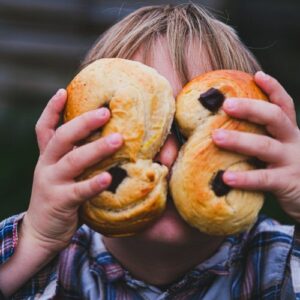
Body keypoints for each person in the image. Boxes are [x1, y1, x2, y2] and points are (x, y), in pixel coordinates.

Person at [0, 3, 300, 299]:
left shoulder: (280, 264)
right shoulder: (38, 266)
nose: (168, 157)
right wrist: (35, 242)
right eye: (145, 127)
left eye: (187, 135)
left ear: (260, 147)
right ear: (74, 144)